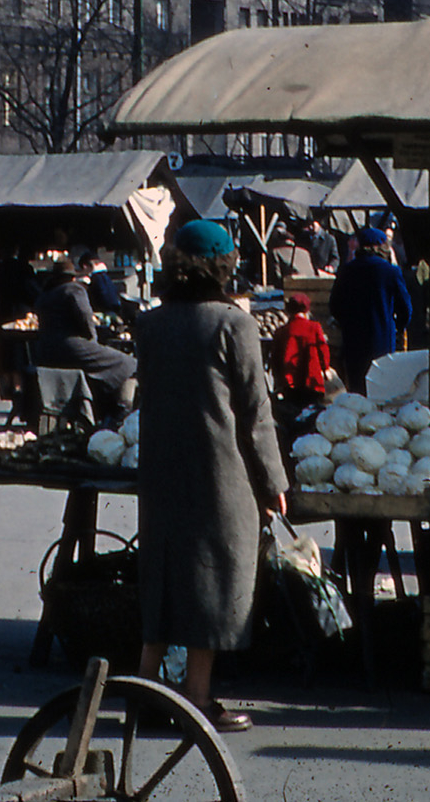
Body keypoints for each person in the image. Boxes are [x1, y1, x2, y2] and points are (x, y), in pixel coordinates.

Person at [133, 219, 288, 733]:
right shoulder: (233, 324)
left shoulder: (151, 324)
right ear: (224, 266)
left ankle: (144, 692)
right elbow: (255, 412)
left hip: (160, 471)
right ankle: (197, 699)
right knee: (213, 581)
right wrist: (274, 483)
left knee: (164, 580)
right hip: (220, 476)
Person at [33, 256, 136, 415]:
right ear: (72, 276)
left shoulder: (45, 295)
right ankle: (122, 409)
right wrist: (92, 340)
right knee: (128, 363)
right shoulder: (74, 289)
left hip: (45, 351)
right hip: (70, 348)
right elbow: (86, 319)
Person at [327, 227, 410, 389]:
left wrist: (345, 323)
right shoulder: (391, 272)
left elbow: (335, 305)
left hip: (353, 340)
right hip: (383, 340)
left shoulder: (346, 271)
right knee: (382, 388)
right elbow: (405, 308)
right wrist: (398, 327)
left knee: (357, 389)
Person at [273, 292, 335, 411]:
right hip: (311, 380)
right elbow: (323, 349)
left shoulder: (281, 331)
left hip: (289, 383)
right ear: (307, 310)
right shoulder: (314, 327)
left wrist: (278, 380)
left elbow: (275, 358)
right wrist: (325, 368)